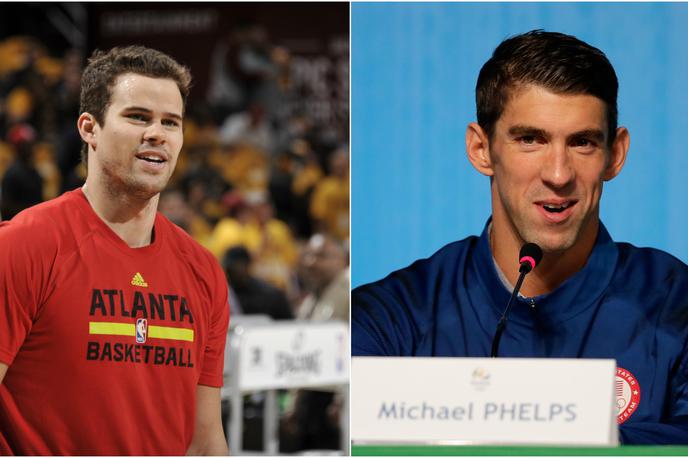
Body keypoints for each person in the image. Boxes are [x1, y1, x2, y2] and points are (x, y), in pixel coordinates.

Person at [352, 30, 688, 444]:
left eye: (582, 142)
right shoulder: (390, 318)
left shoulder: (678, 306)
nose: (559, 174)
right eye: (530, 139)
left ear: (614, 155)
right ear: (480, 149)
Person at [0, 46, 230, 455]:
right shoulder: (24, 246)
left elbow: (205, 442)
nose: (157, 133)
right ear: (89, 128)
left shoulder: (203, 270)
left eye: (170, 122)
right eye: (138, 117)